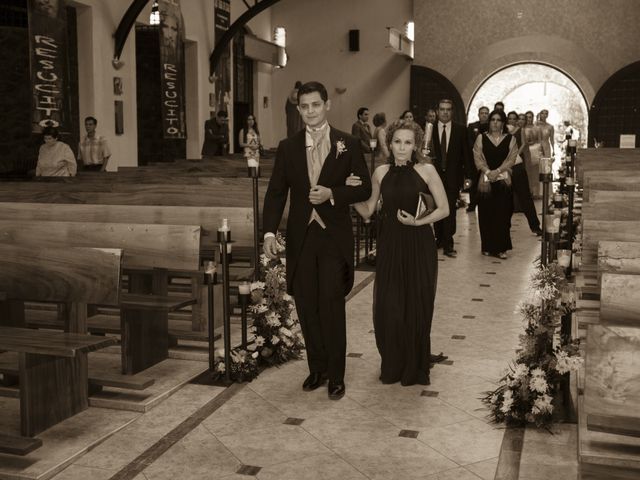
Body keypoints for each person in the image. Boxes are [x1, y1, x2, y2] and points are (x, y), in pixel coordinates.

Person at [262, 81, 372, 400]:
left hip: (333, 238)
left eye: (315, 104)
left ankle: (337, 375)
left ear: (326, 105)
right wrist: (269, 231)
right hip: (301, 238)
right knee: (307, 306)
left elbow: (363, 188)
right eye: (304, 106)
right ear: (299, 109)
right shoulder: (288, 147)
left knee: (331, 305)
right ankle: (317, 368)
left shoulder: (347, 143)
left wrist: (333, 193)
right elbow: (276, 192)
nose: (310, 111)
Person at [345, 120, 449, 386]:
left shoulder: (427, 170)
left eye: (408, 142)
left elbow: (444, 209)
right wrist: (350, 193)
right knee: (390, 305)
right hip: (390, 243)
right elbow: (368, 211)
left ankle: (414, 364)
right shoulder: (380, 172)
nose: (402, 148)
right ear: (389, 144)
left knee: (416, 303)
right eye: (397, 142)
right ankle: (393, 362)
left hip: (418, 243)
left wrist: (417, 222)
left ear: (416, 145)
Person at [431, 98, 474, 257]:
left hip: (453, 176)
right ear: (437, 111)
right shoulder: (429, 129)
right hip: (433, 176)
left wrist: (469, 176)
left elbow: (466, 154)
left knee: (449, 209)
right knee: (436, 208)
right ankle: (439, 239)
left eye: (448, 109)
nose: (445, 112)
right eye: (442, 109)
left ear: (452, 112)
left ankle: (448, 243)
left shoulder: (460, 130)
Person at [473, 110, 517, 259]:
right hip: (486, 180)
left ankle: (501, 248)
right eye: (493, 120)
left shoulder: (510, 139)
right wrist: (487, 172)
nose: (495, 122)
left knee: (503, 214)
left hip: (503, 180)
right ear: (489, 122)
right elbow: (477, 157)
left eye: (498, 120)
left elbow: (512, 159)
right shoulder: (481, 138)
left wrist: (497, 171)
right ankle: (487, 246)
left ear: (503, 123)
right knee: (486, 214)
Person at [507, 111, 542, 236]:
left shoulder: (519, 130)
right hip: (505, 168)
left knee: (525, 196)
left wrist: (514, 153)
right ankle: (504, 226)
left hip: (517, 164)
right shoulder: (503, 130)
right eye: (509, 118)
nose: (511, 120)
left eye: (513, 118)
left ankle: (535, 226)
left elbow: (523, 144)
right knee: (506, 198)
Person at [466, 106, 490, 212]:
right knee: (474, 182)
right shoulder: (472, 126)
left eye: (486, 113)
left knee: (486, 181)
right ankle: (472, 204)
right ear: (478, 114)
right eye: (482, 113)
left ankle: (486, 203)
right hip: (474, 159)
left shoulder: (491, 126)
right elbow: (469, 140)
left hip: (487, 159)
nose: (484, 115)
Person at [522, 111, 542, 197]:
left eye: (530, 117)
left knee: (535, 172)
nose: (528, 119)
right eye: (527, 117)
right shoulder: (522, 128)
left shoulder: (537, 128)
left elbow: (539, 141)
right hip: (525, 151)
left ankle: (535, 192)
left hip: (534, 151)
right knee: (526, 172)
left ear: (533, 118)